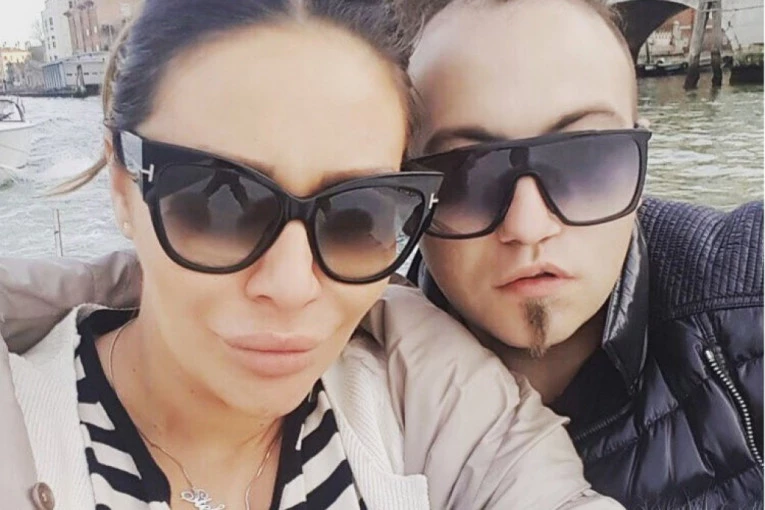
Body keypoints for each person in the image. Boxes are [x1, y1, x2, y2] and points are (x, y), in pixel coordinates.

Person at [0, 1, 625, 509]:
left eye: (358, 215)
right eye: (218, 205)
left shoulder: (435, 409)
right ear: (122, 186)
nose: (292, 284)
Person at [400, 0, 764, 508]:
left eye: (588, 161)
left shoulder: (749, 302)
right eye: (465, 177)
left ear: (640, 163)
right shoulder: (337, 374)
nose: (528, 228)